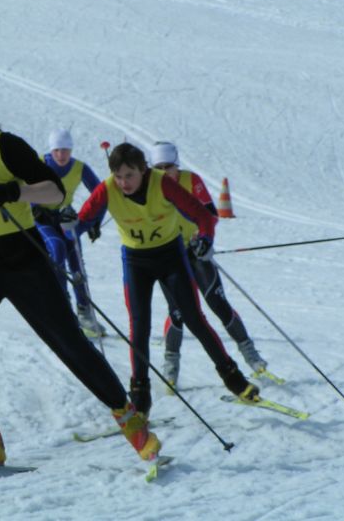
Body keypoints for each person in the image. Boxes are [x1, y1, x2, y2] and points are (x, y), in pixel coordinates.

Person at [0, 78, 161, 465]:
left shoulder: (5, 146)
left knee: (69, 343)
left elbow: (55, 193)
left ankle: (133, 425)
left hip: (25, 260)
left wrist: (12, 192)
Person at [78, 142, 259, 417]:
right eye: (119, 176)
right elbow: (79, 222)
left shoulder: (162, 183)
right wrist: (68, 226)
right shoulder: (107, 188)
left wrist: (205, 240)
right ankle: (140, 397)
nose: (124, 182)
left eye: (130, 175)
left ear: (143, 170)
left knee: (195, 318)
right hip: (136, 263)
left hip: (170, 258)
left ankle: (235, 379)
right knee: (139, 328)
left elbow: (203, 217)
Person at [149, 141, 268, 389]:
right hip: (170, 255)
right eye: (158, 167)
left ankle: (251, 355)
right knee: (177, 311)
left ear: (176, 165)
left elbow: (211, 215)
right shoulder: (148, 186)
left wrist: (204, 239)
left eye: (168, 167)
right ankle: (171, 365)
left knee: (217, 303)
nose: (164, 172)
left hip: (196, 251)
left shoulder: (192, 180)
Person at [32, 128, 105, 338]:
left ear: (71, 150)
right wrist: (34, 206)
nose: (61, 156)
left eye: (65, 151)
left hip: (65, 218)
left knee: (77, 263)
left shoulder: (80, 167)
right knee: (57, 249)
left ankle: (84, 312)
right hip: (43, 220)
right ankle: (62, 309)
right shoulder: (40, 163)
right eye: (57, 151)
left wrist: (94, 222)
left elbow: (101, 195)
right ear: (51, 151)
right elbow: (21, 187)